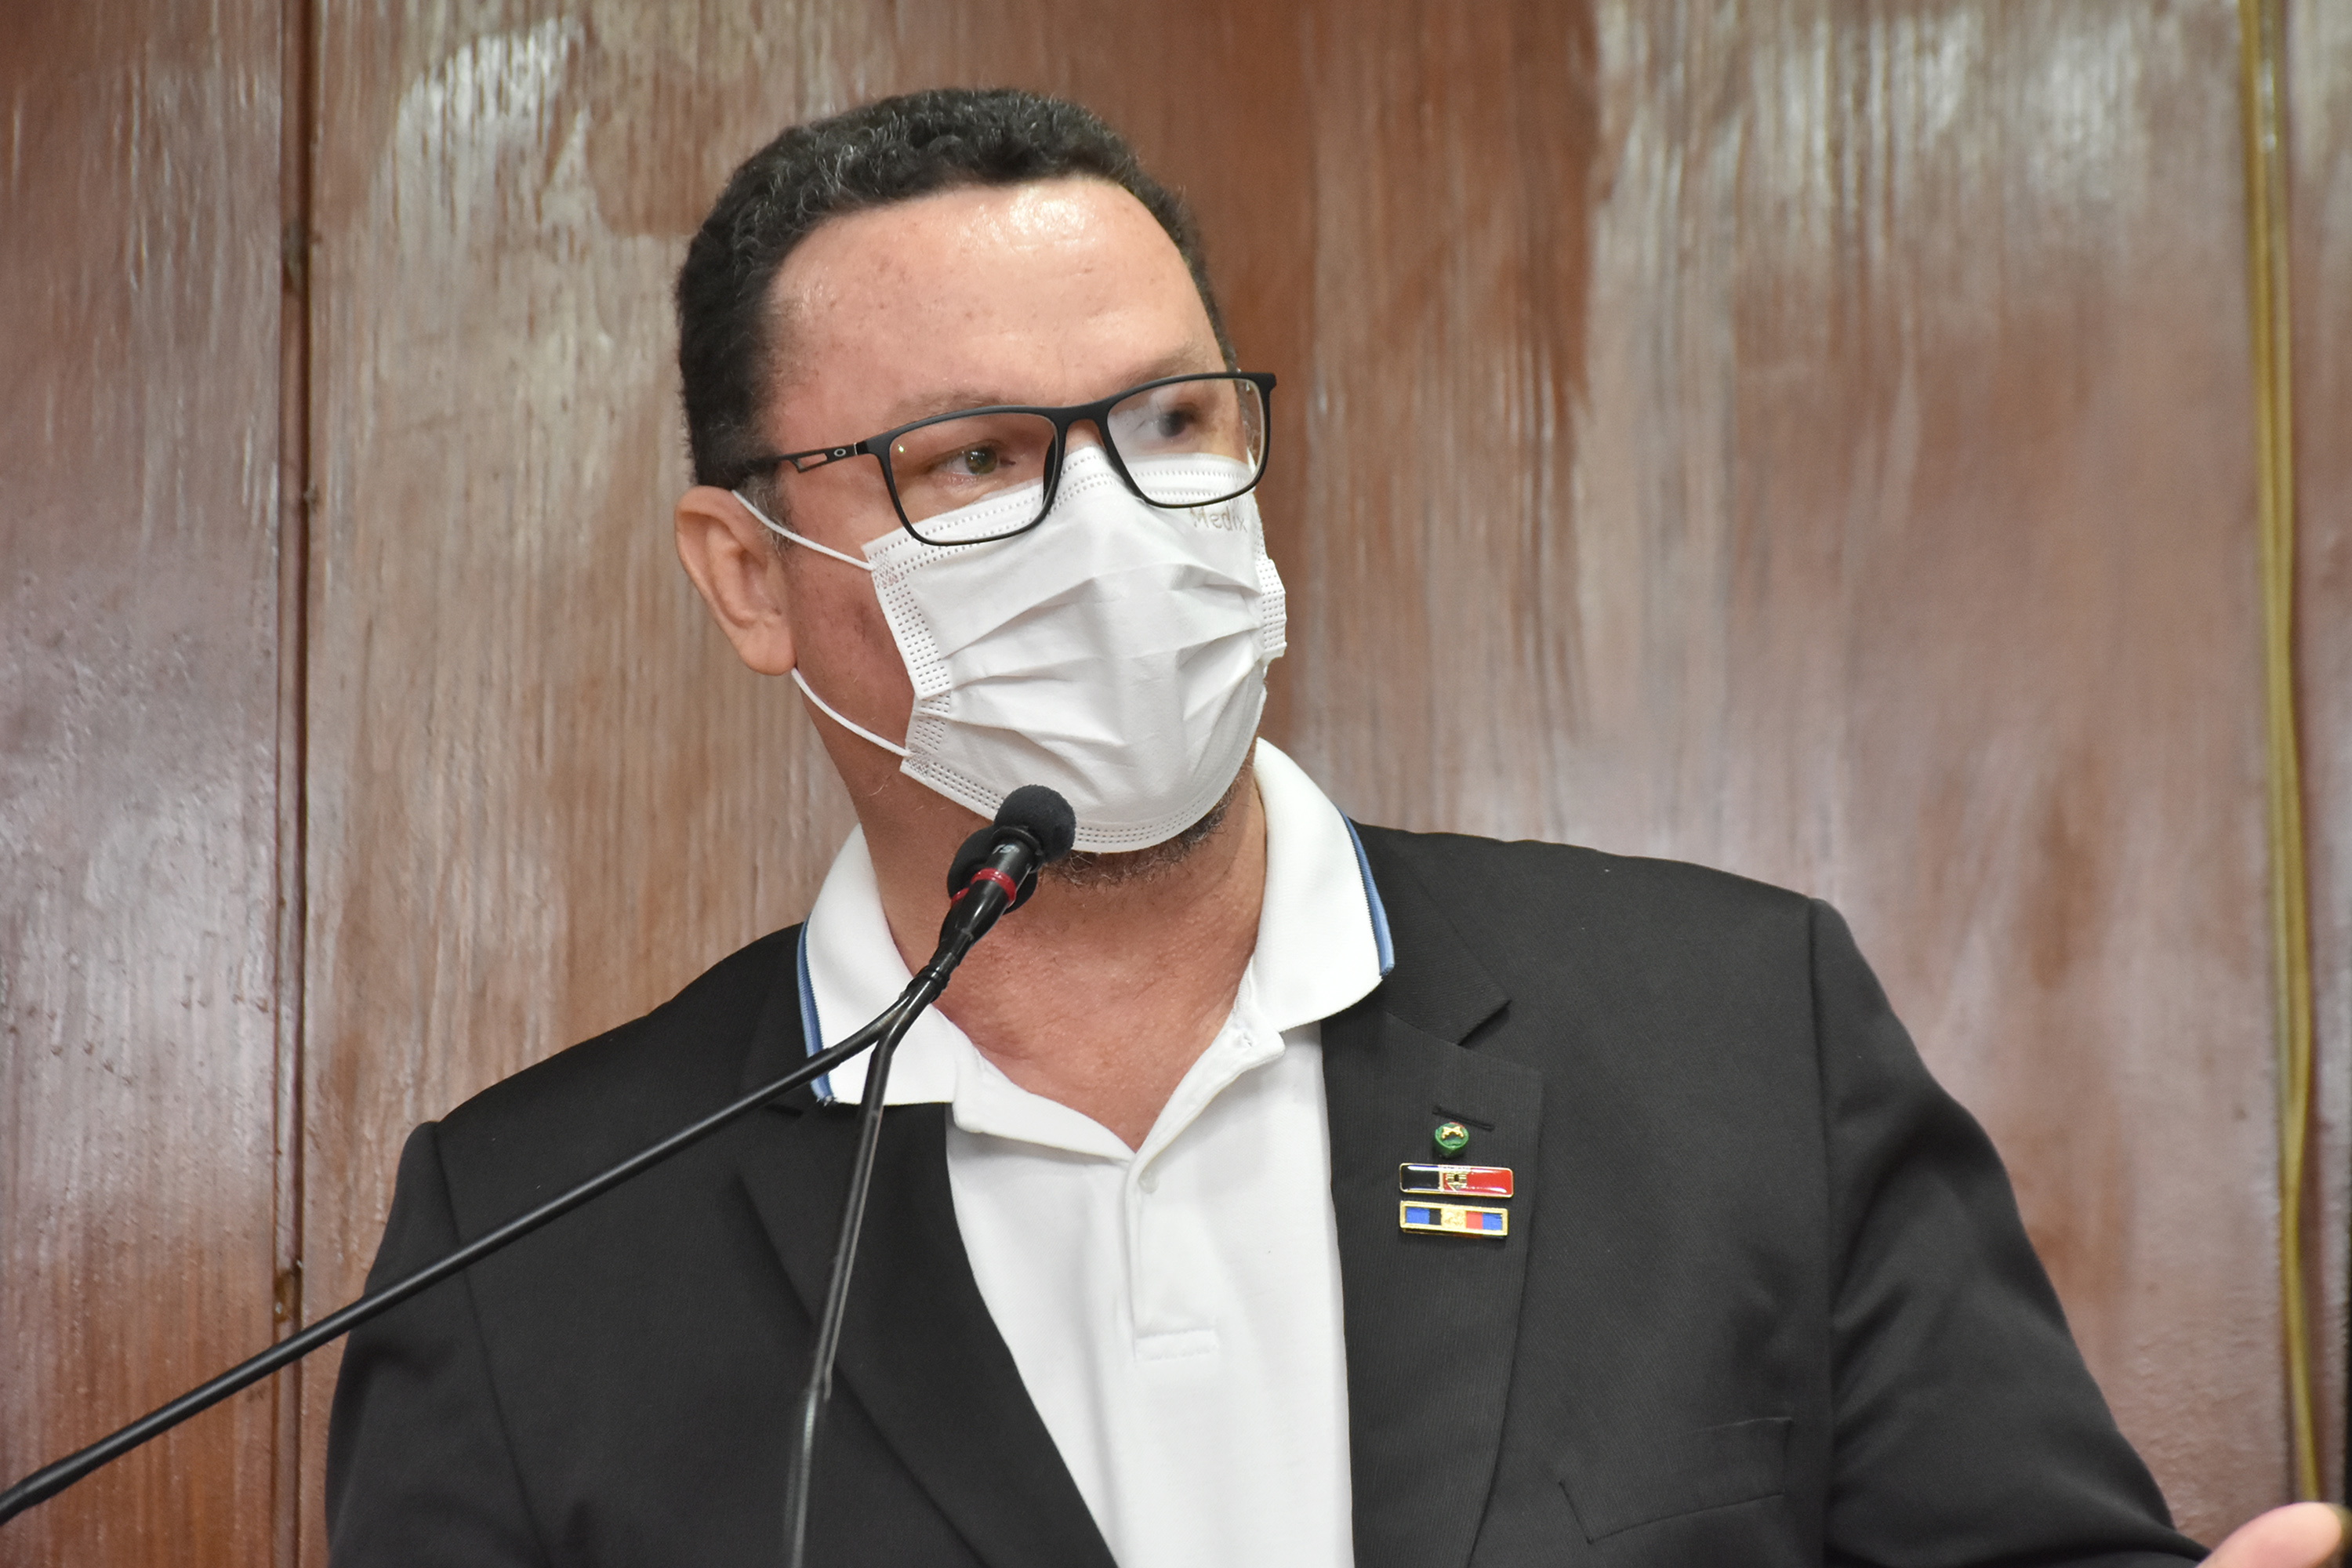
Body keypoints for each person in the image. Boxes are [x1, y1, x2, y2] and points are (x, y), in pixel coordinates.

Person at [324, 87, 2345, 1568]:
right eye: (978, 461)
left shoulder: (1735, 1034)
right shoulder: (528, 1250)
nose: (1117, 530)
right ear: (750, 578)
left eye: (1171, 423)